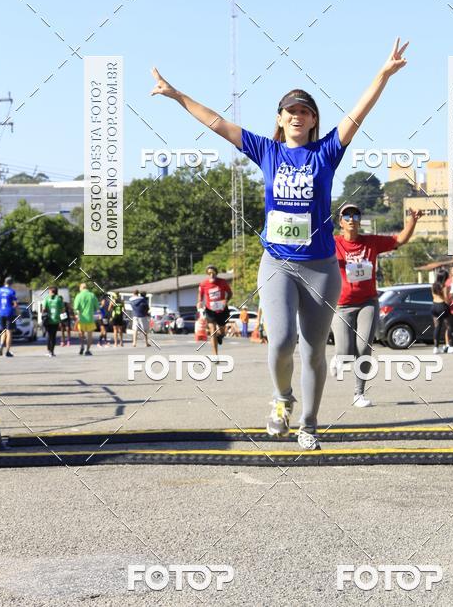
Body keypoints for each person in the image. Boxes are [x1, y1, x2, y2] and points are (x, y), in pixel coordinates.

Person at [151, 36, 409, 450]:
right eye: (290, 110)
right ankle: (281, 399)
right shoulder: (266, 151)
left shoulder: (326, 153)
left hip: (321, 266)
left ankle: (309, 424)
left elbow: (358, 114)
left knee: (312, 352)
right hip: (277, 263)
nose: (297, 116)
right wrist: (176, 94)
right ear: (280, 118)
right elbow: (216, 122)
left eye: (304, 111)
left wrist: (382, 73)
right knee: (282, 339)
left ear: (312, 121)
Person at [332, 202, 422, 407]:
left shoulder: (371, 242)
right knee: (345, 352)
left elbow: (400, 239)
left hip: (368, 302)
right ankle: (339, 357)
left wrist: (412, 221)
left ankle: (359, 394)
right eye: (347, 216)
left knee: (364, 347)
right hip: (342, 304)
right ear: (341, 222)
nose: (352, 220)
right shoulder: (333, 243)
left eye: (356, 216)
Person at [197, 266, 233, 357]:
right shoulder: (203, 284)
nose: (211, 275)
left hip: (222, 309)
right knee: (212, 330)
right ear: (207, 274)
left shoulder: (222, 282)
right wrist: (199, 302)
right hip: (210, 309)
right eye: (209, 273)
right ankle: (215, 355)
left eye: (213, 273)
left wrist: (226, 300)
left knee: (222, 331)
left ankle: (220, 336)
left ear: (216, 273)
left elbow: (230, 293)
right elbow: (200, 295)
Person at [431, 270, 453, 355]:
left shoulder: (433, 286)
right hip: (442, 306)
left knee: (437, 327)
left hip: (434, 306)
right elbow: (446, 299)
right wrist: (452, 296)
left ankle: (436, 348)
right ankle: (450, 346)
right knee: (449, 326)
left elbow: (433, 296)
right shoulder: (444, 286)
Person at [0, 276, 17, 357]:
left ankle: (0, 345)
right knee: (9, 332)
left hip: (1, 312)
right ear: (11, 283)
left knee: (3, 330)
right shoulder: (11, 291)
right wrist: (18, 312)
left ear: (4, 282)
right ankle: (7, 351)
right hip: (9, 313)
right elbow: (15, 304)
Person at [73, 283, 98, 356]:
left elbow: (76, 307)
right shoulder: (92, 295)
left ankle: (82, 346)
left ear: (81, 288)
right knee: (89, 335)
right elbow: (97, 307)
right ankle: (87, 350)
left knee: (81, 334)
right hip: (90, 318)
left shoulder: (79, 295)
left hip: (81, 318)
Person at [42, 286, 64, 357]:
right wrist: (62, 320)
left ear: (51, 291)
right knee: (53, 336)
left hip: (48, 320)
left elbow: (44, 309)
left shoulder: (47, 298)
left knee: (49, 335)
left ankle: (49, 350)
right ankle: (52, 351)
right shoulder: (59, 299)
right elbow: (62, 310)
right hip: (56, 320)